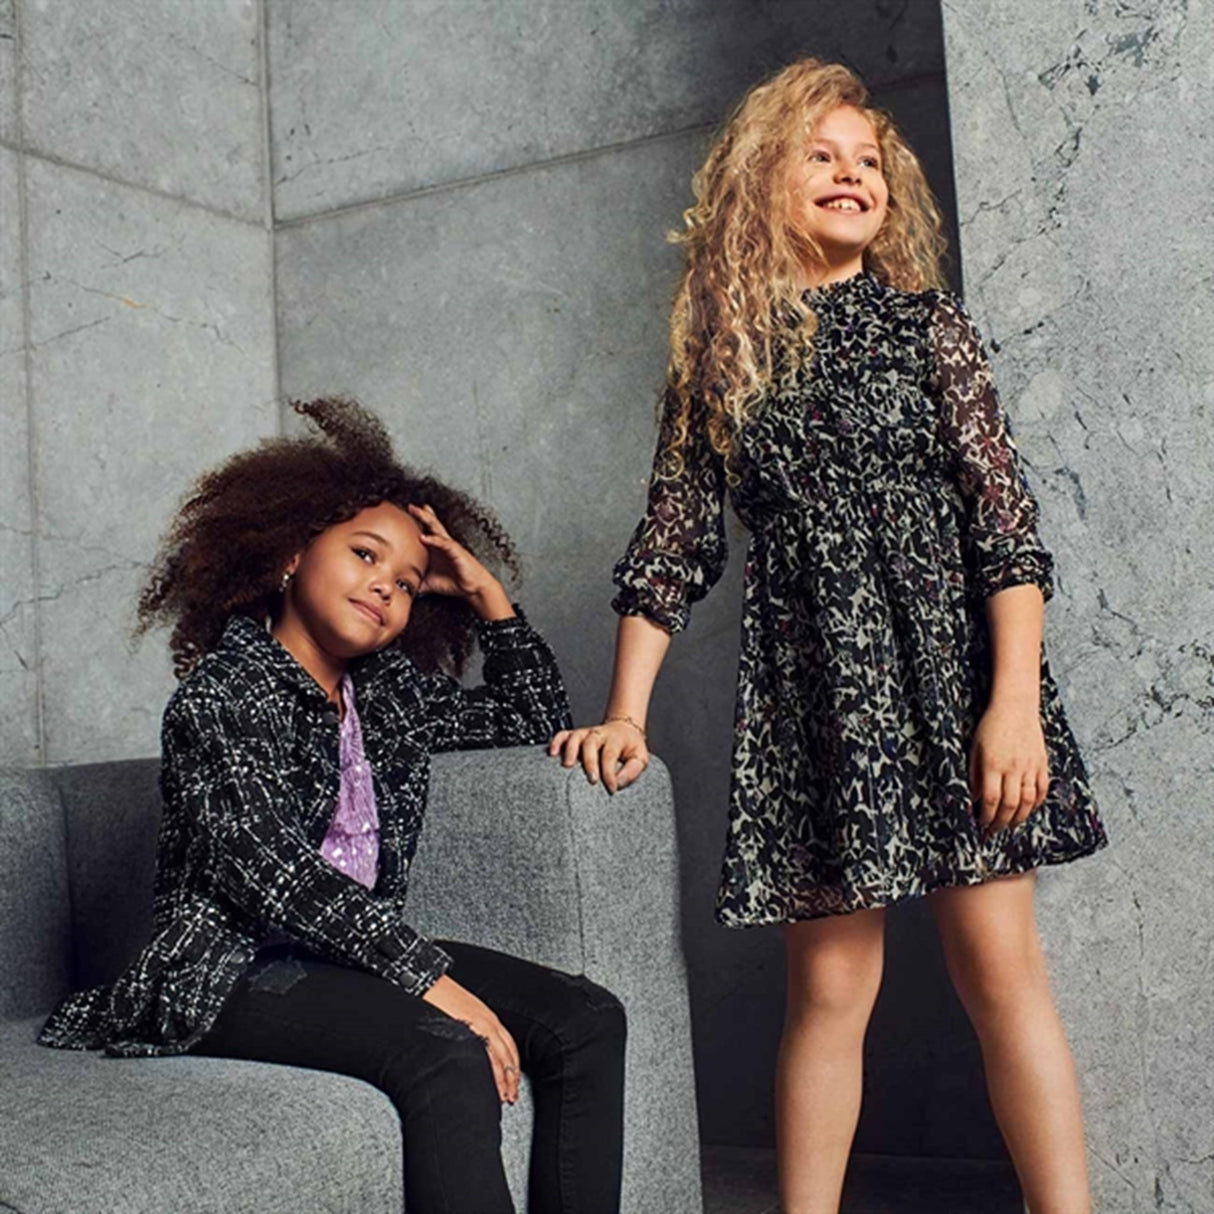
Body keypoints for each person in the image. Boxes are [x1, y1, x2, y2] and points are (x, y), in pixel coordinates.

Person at [550, 58, 1106, 1214]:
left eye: (867, 160)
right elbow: (671, 546)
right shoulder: (722, 356)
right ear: (763, 180)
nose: (850, 173)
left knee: (1001, 973)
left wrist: (1010, 703)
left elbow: (1005, 532)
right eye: (819, 154)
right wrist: (623, 714)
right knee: (830, 990)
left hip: (956, 687)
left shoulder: (929, 330)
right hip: (818, 701)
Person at [40, 397, 626, 1214]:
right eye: (364, 554)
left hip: (345, 957)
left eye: (407, 584)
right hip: (226, 971)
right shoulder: (223, 694)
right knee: (445, 1049)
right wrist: (432, 981)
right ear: (291, 552)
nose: (385, 586)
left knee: (586, 1019)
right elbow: (270, 873)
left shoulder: (386, 697)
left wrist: (486, 594)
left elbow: (532, 721)